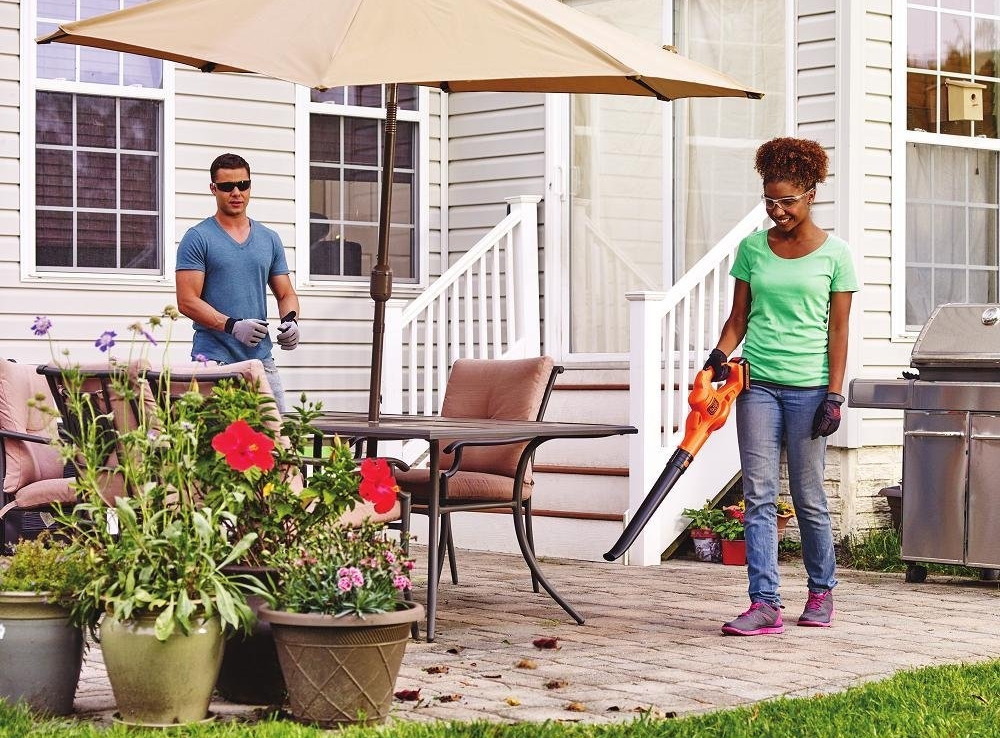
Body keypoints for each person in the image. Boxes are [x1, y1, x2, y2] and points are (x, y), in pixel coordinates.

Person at [704, 137, 858, 636]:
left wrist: (835, 395)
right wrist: (718, 355)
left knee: (808, 493)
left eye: (787, 200)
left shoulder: (837, 256)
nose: (778, 210)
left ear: (811, 193)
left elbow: (838, 332)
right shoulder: (753, 249)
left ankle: (820, 591)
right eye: (770, 200)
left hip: (811, 388)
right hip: (758, 386)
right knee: (759, 494)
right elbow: (738, 318)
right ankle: (764, 602)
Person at [176, 153, 300, 413]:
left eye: (243, 185)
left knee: (278, 442)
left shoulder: (269, 239)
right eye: (226, 186)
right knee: (212, 446)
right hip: (212, 362)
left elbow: (286, 292)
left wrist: (291, 320)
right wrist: (231, 326)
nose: (236, 192)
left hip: (261, 360)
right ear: (213, 189)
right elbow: (187, 301)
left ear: (250, 186)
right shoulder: (198, 238)